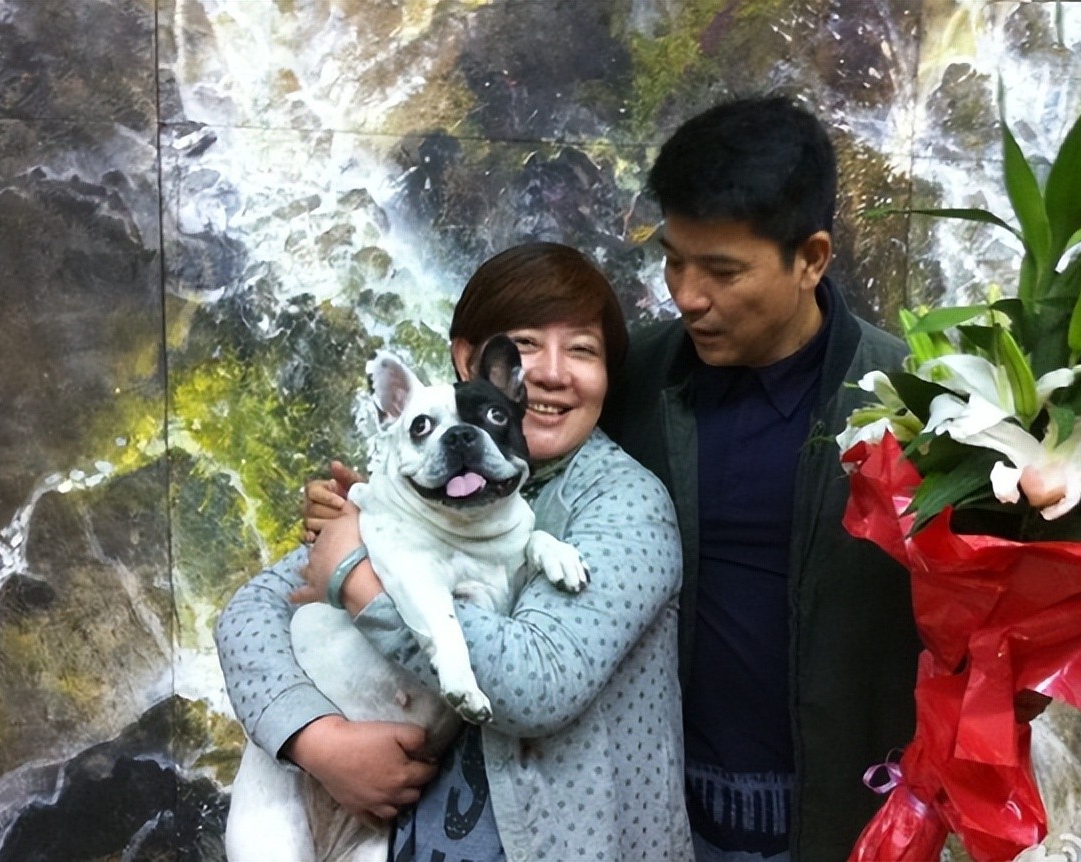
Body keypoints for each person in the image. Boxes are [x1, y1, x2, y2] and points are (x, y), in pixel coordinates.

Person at [215, 241, 694, 861]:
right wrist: (317, 740)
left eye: (582, 350)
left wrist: (358, 580)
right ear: (471, 360)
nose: (550, 373)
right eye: (524, 346)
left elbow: (537, 683)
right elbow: (249, 616)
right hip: (388, 829)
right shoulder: (425, 474)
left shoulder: (626, 504)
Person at [596, 96, 921, 861]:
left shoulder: (911, 403)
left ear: (811, 259)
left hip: (839, 825)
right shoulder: (632, 379)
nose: (686, 294)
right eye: (674, 259)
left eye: (722, 270)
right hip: (650, 817)